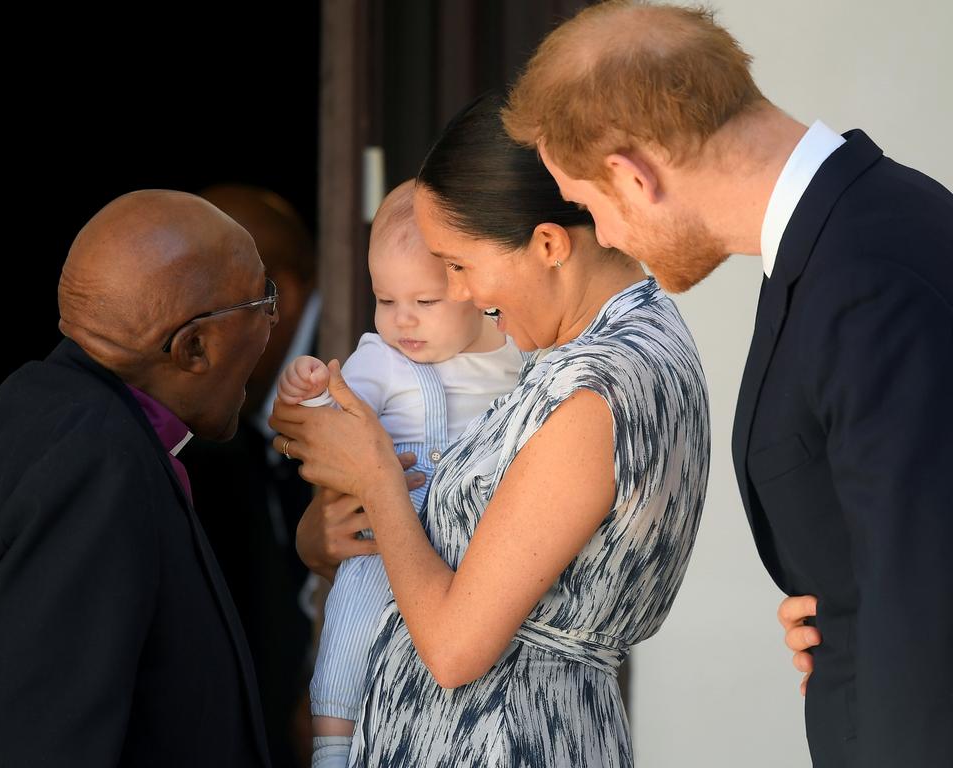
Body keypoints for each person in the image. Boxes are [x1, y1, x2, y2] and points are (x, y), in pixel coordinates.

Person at [502, 2, 953, 765]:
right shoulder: (848, 232)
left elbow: (926, 604)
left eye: (587, 207)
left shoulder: (864, 275)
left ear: (633, 175)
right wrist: (839, 596)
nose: (604, 238)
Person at [272, 93, 710, 767]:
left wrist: (377, 478)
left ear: (547, 244)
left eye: (458, 265)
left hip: (505, 739)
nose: (462, 294)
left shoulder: (600, 386)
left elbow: (452, 651)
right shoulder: (592, 349)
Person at [0, 190, 277, 767]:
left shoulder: (31, 400)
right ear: (193, 348)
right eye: (263, 300)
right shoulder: (98, 466)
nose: (272, 323)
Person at [278, 179, 523, 767]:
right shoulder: (381, 360)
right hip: (390, 540)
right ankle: (334, 744)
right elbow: (334, 420)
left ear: (473, 287)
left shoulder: (521, 356)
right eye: (385, 301)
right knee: (351, 624)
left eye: (424, 302)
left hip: (485, 551)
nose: (403, 320)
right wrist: (309, 396)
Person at [179, 183, 319, 768]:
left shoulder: (352, 368)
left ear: (274, 299)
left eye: (198, 311)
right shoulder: (253, 403)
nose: (185, 341)